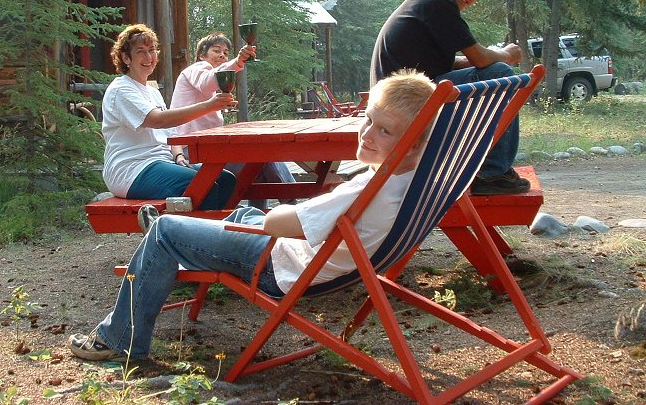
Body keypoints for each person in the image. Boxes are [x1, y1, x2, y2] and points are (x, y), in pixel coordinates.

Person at [68, 69, 436, 362]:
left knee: (167, 228)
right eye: (368, 120)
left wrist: (287, 212)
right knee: (244, 211)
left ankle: (120, 336)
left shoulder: (362, 193)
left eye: (385, 130)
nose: (367, 134)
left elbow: (280, 224)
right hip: (298, 254)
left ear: (414, 143)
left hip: (280, 263)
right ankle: (182, 236)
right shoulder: (411, 180)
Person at [370, 0, 528, 195]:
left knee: (490, 75)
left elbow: (443, 65)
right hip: (403, 99)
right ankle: (492, 173)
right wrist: (506, 54)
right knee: (502, 75)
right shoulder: (439, 1)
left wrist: (475, 63)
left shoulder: (426, 0)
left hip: (397, 95)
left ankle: (478, 165)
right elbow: (480, 58)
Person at [101, 24, 237, 211]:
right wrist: (209, 105)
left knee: (226, 180)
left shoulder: (152, 91)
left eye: (152, 50)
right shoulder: (121, 89)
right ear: (126, 58)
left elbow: (170, 132)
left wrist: (179, 155)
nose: (149, 57)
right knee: (204, 187)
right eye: (141, 51)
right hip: (132, 170)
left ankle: (218, 232)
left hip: (163, 162)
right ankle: (194, 236)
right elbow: (159, 120)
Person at [170, 31, 296, 207]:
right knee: (263, 154)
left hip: (207, 150)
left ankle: (259, 219)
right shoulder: (197, 69)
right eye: (216, 50)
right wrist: (237, 62)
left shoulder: (210, 86)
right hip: (192, 154)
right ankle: (292, 204)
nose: (222, 55)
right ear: (201, 55)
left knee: (257, 166)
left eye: (226, 52)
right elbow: (207, 81)